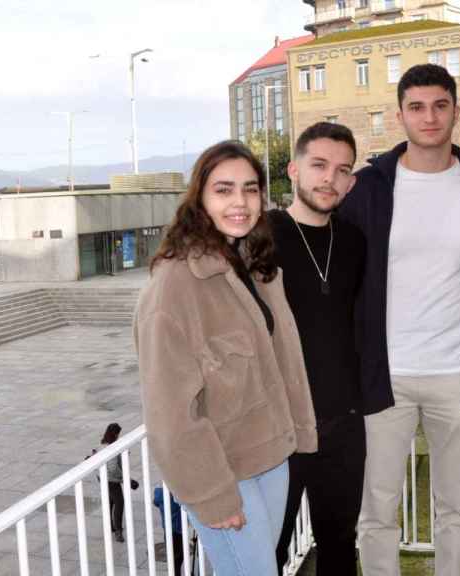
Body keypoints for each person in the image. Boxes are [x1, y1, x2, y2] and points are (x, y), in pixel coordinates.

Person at [339, 63, 460, 576]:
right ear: (400, 115)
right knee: (376, 510)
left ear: (456, 111)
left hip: (458, 376)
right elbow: (336, 271)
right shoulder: (367, 189)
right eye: (417, 107)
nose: (429, 117)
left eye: (440, 105)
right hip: (382, 376)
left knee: (458, 509)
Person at [135, 140, 318, 576]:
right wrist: (212, 494)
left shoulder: (255, 265)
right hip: (223, 471)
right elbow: (170, 413)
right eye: (224, 190)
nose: (240, 202)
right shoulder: (174, 287)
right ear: (199, 198)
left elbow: (285, 365)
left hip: (273, 460)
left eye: (250, 189)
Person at [269, 122, 366, 576]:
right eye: (319, 165)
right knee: (266, 551)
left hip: (343, 424)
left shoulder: (354, 242)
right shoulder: (259, 236)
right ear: (293, 169)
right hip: (278, 429)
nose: (330, 178)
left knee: (340, 548)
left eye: (342, 170)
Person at [93, 422, 137, 543]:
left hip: (102, 479)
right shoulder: (111, 448)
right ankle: (118, 531)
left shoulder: (102, 445)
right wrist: (126, 479)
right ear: (115, 434)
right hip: (111, 481)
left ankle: (110, 527)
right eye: (118, 434)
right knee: (119, 503)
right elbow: (113, 468)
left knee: (110, 502)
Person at [153, 486, 185, 575]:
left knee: (175, 555)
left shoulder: (159, 492)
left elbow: (155, 502)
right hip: (177, 530)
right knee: (178, 557)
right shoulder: (176, 497)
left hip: (167, 528)